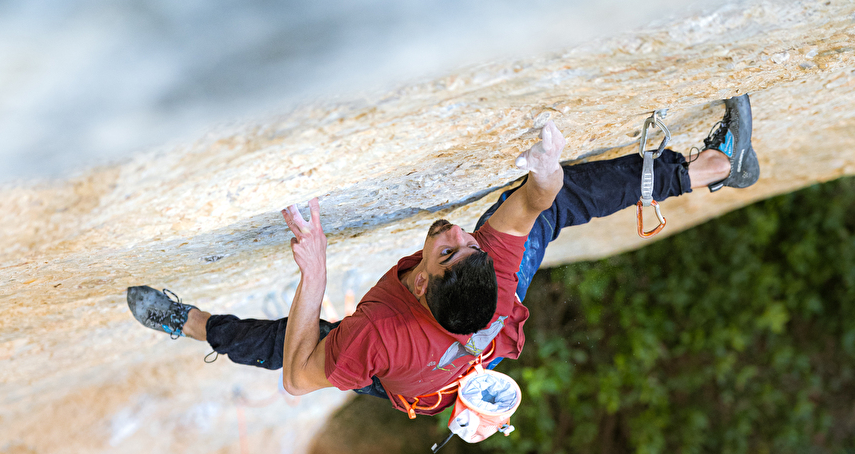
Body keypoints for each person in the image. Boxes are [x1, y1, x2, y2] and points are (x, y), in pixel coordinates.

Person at [127, 95, 759, 418]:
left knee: (305, 344)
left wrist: (314, 271)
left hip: (411, 374)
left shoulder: (379, 336)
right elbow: (541, 203)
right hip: (463, 353)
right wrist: (545, 174)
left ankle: (192, 325)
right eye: (466, 244)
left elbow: (298, 379)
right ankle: (711, 169)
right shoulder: (494, 271)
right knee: (559, 209)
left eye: (447, 249)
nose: (456, 231)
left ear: (421, 285)